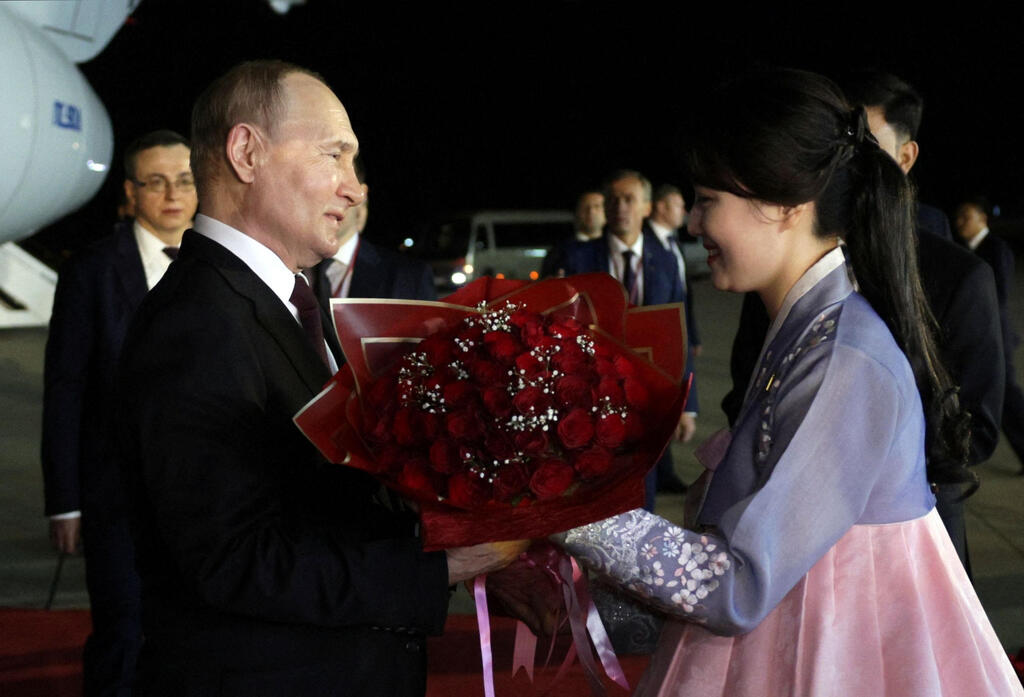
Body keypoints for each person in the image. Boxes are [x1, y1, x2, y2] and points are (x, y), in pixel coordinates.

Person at [552, 69, 1021, 696]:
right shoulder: (807, 327)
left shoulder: (841, 358)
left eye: (707, 200)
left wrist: (557, 509)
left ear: (784, 205)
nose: (692, 223)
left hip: (837, 654)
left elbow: (734, 582)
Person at [115, 60, 521, 697]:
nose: (355, 189)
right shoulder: (197, 321)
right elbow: (233, 561)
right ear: (247, 152)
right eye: (336, 154)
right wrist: (438, 566)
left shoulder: (292, 302)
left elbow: (333, 501)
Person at [721, 71, 1004, 573]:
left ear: (906, 156)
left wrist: (855, 465)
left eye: (862, 145)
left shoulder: (960, 277)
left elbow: (976, 430)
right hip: (780, 535)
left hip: (908, 543)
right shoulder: (784, 268)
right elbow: (745, 387)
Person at [42, 129, 197, 697]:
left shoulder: (223, 260)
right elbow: (65, 387)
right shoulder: (92, 270)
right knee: (123, 635)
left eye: (183, 180)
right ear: (131, 192)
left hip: (207, 495)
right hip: (117, 496)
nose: (172, 194)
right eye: (155, 182)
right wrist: (64, 501)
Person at [549, 170, 698, 507]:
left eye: (629, 199)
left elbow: (680, 329)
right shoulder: (578, 257)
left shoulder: (665, 261)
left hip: (649, 393)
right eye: (613, 200)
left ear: (647, 207)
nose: (620, 207)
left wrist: (687, 403)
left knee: (643, 489)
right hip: (591, 392)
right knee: (593, 490)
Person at [310, 157, 436, 320]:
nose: (329, 197)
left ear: (361, 195)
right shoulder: (281, 269)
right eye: (320, 183)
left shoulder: (409, 279)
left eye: (339, 183)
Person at [956, 196, 1024, 472]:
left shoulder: (995, 248)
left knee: (1007, 396)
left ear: (982, 219)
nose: (960, 222)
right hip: (982, 336)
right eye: (958, 217)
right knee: (1000, 398)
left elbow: (1001, 295)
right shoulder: (966, 248)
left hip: (996, 336)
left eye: (966, 217)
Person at [644, 183, 702, 357]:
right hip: (655, 340)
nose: (684, 212)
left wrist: (693, 337)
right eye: (679, 206)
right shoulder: (641, 244)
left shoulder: (674, 244)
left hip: (680, 337)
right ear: (662, 207)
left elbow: (684, 295)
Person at [541, 189, 605, 278]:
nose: (591, 211)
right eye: (585, 207)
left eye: (597, 206)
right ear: (576, 212)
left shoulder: (614, 250)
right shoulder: (559, 252)